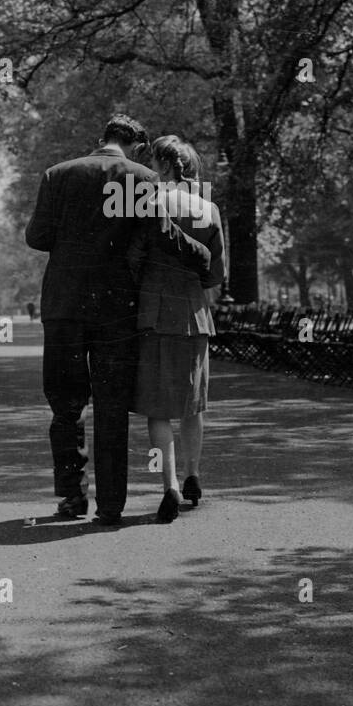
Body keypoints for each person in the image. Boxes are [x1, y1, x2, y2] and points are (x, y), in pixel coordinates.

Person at [25, 114, 211, 525]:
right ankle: (111, 506)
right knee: (111, 406)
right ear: (138, 146)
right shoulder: (142, 178)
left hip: (64, 306)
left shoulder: (57, 174)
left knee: (66, 406)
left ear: (102, 138)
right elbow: (162, 233)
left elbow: (36, 237)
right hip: (115, 307)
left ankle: (73, 497)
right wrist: (202, 255)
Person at [128, 136, 225, 523]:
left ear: (162, 167)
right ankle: (193, 475)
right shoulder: (209, 209)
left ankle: (167, 483)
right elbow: (216, 274)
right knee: (192, 405)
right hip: (195, 317)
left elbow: (133, 260)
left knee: (157, 408)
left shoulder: (145, 204)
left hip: (153, 315)